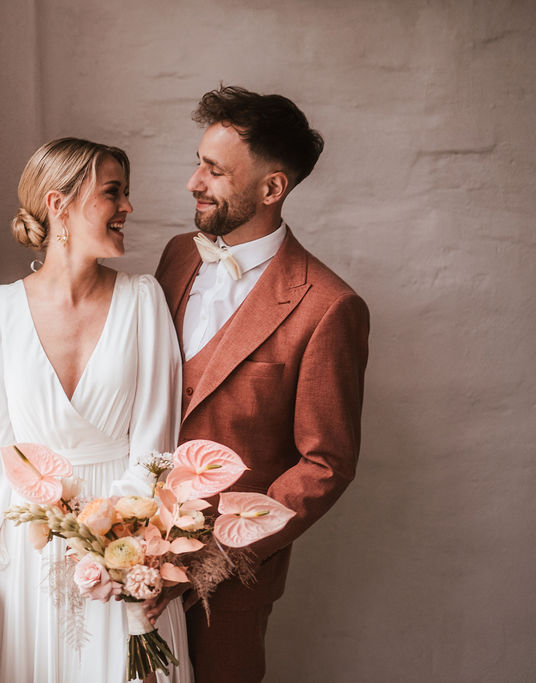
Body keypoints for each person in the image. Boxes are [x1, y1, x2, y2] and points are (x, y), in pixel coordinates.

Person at [0, 138, 193, 682]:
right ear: (59, 205)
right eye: (113, 193)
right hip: (34, 555)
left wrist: (127, 552)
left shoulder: (143, 300)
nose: (127, 207)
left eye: (126, 194)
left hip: (129, 551)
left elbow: (156, 445)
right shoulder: (0, 310)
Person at [147, 86, 370, 682]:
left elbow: (325, 464)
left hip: (228, 583)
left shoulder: (329, 306)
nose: (194, 182)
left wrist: (218, 559)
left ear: (272, 189)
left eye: (215, 171)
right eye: (198, 161)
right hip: (128, 553)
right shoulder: (176, 256)